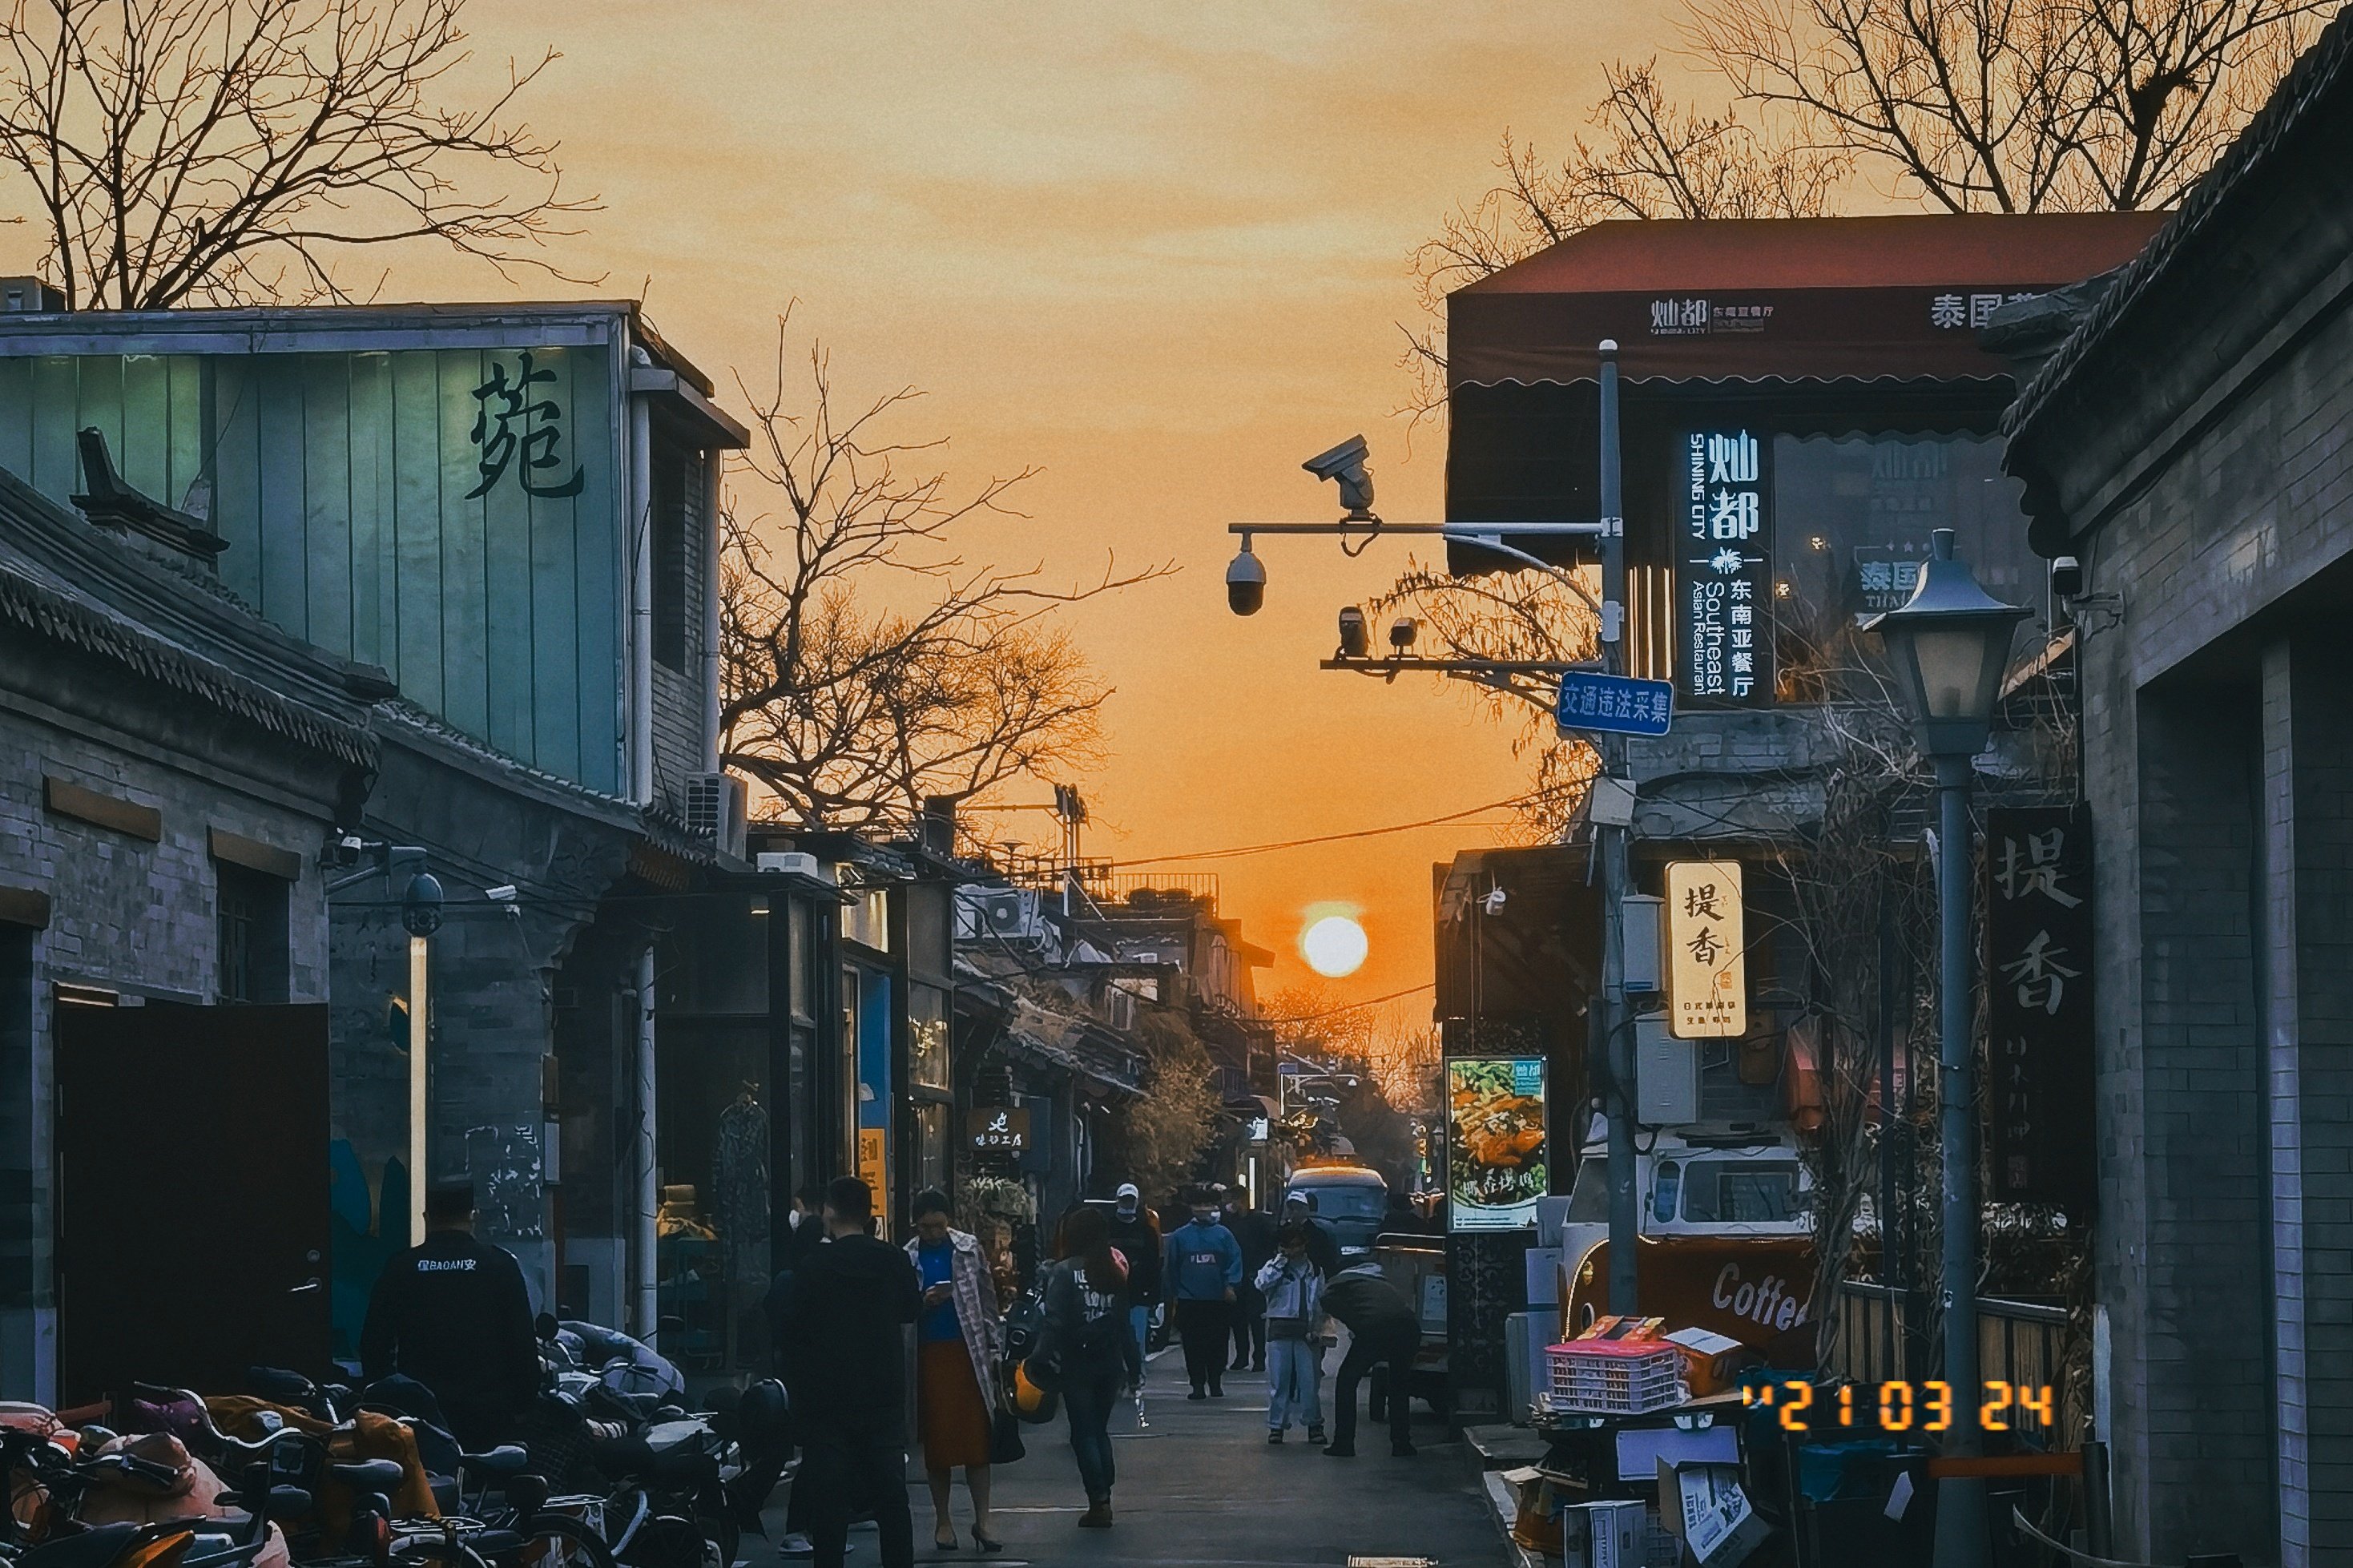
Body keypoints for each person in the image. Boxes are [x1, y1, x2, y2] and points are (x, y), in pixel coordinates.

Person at [780, 1177, 921, 1568]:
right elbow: (911, 1310)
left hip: (828, 1397)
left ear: (829, 1211)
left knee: (830, 1500)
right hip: (882, 1392)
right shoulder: (893, 1259)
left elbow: (792, 1325)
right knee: (892, 1498)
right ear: (869, 1213)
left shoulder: (813, 1266)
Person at [358, 1183, 540, 1452]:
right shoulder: (499, 1265)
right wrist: (521, 1404)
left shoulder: (402, 1267)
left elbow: (374, 1342)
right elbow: (522, 1343)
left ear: (427, 1217)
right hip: (488, 1410)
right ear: (472, 1216)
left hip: (421, 1412)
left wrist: (387, 1400)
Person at [905, 1189, 1004, 1554]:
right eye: (925, 1227)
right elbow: (903, 1306)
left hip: (970, 1350)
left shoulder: (967, 1247)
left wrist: (995, 1346)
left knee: (977, 1441)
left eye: (938, 1225)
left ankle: (984, 1518)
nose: (932, 1233)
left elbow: (987, 1296)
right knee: (939, 1442)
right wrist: (923, 1301)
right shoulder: (908, 1256)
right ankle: (943, 1520)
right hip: (930, 1351)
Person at [1037, 1204, 1142, 1529]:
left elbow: (1054, 1320)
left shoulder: (1064, 1272)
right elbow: (1125, 1324)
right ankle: (1104, 1493)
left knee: (1082, 1432)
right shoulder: (1113, 1271)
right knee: (1098, 1429)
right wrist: (1134, 1367)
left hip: (1076, 1363)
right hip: (1109, 1363)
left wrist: (1040, 1358)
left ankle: (1098, 1498)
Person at [1321, 1260, 1421, 1458]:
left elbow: (1329, 1305)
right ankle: (1402, 1443)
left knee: (1347, 1381)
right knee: (1399, 1386)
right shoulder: (1383, 1283)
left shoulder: (1337, 1286)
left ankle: (1344, 1443)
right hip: (1409, 1329)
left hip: (1374, 1329)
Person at [1162, 1191, 1241, 1399]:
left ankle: (1215, 1381)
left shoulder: (1224, 1235)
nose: (1203, 1209)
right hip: (1190, 1300)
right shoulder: (1180, 1236)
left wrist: (1231, 1285)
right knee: (1192, 1345)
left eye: (1207, 1204)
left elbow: (1235, 1261)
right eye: (1199, 1204)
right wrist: (1173, 1294)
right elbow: (1171, 1267)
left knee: (1217, 1344)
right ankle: (1197, 1384)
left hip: (1217, 1300)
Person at [1254, 1222, 1327, 1446]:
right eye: (1288, 1246)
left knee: (1309, 1383)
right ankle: (1276, 1427)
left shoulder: (1315, 1270)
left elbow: (1321, 1301)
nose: (1294, 1250)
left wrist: (1320, 1329)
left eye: (1297, 1245)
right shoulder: (1275, 1268)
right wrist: (1279, 1263)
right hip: (1280, 1330)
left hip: (1307, 1332)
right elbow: (1261, 1284)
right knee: (1279, 1382)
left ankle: (1314, 1424)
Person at [1104, 1183, 1162, 1388]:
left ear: (1136, 1202)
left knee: (1137, 1336)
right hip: (1113, 1291)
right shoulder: (1108, 1227)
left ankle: (1137, 1374)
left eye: (1131, 1200)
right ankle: (1118, 1374)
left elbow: (1154, 1263)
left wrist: (1154, 1295)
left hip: (1139, 1292)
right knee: (1114, 1336)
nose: (1127, 1203)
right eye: (1124, 1200)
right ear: (1118, 1201)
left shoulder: (1146, 1230)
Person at [1223, 1191, 1276, 1373]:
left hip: (1255, 1275)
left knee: (1256, 1319)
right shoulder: (1229, 1223)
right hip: (1237, 1276)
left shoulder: (1259, 1222)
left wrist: (1262, 1269)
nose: (1232, 1205)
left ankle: (1259, 1358)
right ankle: (1241, 1356)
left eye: (1234, 1200)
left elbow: (1270, 1245)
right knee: (1237, 1319)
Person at [1280, 1192, 1344, 1277]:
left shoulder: (1318, 1235)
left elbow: (1327, 1263)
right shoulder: (1280, 1233)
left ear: (1305, 1210)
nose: (1294, 1212)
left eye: (1298, 1208)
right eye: (1291, 1208)